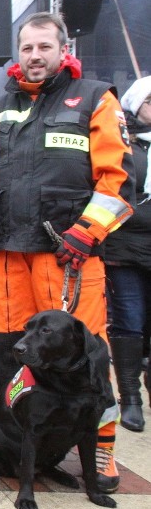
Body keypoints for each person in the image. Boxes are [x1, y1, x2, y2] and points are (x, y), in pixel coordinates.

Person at [0, 12, 134, 492]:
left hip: (66, 257)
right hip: (6, 257)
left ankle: (103, 449)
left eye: (44, 48)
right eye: (27, 48)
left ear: (63, 49)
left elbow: (118, 179)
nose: (34, 57)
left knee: (89, 357)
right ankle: (18, 443)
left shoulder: (95, 99)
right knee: (10, 358)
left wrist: (87, 231)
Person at [104, 75, 151, 432]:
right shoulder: (124, 141)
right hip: (125, 248)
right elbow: (114, 192)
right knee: (129, 322)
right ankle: (130, 397)